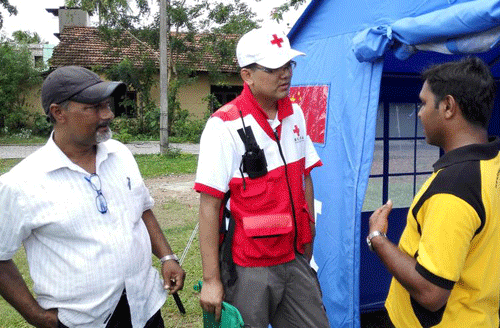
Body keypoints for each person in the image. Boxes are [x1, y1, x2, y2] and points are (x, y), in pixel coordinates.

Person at [0, 66, 186, 328]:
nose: (108, 114)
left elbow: (142, 209)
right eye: (95, 107)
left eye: (107, 105)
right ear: (58, 112)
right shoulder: (21, 183)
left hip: (144, 308)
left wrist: (167, 257)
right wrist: (36, 316)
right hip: (82, 321)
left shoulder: (120, 154)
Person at [194, 26, 330, 328]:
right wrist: (211, 280)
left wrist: (309, 230)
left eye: (288, 65)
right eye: (273, 68)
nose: (285, 74)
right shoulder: (224, 126)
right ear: (247, 76)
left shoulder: (295, 113)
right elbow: (209, 206)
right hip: (249, 266)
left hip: (295, 256)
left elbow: (305, 176)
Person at [367, 57, 500, 327]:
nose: (420, 113)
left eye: (424, 103)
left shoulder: (455, 187)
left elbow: (431, 293)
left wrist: (378, 238)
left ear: (448, 106)